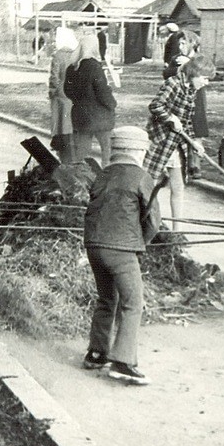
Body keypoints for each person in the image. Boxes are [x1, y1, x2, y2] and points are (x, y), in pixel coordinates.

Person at [82, 126, 162, 386]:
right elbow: (153, 222)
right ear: (138, 151)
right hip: (122, 249)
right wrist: (142, 242)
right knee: (132, 303)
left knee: (107, 299)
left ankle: (96, 353)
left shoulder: (103, 175)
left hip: (94, 246)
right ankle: (123, 362)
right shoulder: (141, 177)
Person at [145, 54, 215, 222]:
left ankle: (177, 230)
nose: (207, 83)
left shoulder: (192, 90)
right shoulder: (173, 84)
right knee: (148, 187)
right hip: (160, 142)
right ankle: (144, 224)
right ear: (195, 74)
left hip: (176, 146)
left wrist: (195, 144)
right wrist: (170, 118)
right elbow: (155, 106)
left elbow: (186, 123)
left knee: (178, 188)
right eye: (205, 78)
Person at [64, 33, 117, 169]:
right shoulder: (94, 66)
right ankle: (106, 178)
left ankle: (82, 177)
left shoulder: (72, 67)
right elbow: (102, 91)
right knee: (107, 152)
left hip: (80, 116)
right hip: (100, 117)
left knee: (81, 154)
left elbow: (67, 91)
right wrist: (112, 104)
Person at [162, 31, 207, 179]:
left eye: (183, 43)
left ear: (193, 43)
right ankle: (181, 162)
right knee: (180, 127)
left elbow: (204, 73)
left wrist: (188, 64)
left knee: (196, 128)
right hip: (180, 97)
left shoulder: (199, 59)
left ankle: (195, 165)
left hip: (197, 98)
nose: (180, 46)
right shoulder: (176, 58)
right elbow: (166, 73)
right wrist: (179, 68)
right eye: (179, 43)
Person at [48, 26, 80, 163]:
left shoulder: (58, 56)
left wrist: (52, 91)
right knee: (71, 124)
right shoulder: (76, 55)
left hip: (61, 94)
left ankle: (63, 155)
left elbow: (54, 77)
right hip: (74, 93)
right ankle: (72, 154)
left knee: (60, 125)